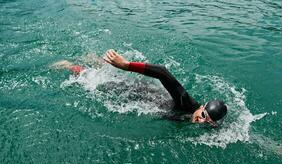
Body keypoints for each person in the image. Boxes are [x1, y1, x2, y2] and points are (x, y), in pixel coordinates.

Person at [54, 50, 228, 126]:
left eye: (207, 121)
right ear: (202, 107)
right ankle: (70, 66)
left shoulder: (204, 123)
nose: (201, 120)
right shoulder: (187, 104)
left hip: (152, 100)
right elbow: (163, 72)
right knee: (99, 84)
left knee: (107, 79)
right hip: (143, 95)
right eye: (203, 115)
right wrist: (126, 65)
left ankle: (96, 60)